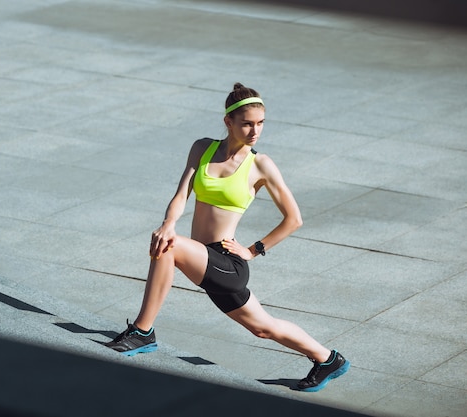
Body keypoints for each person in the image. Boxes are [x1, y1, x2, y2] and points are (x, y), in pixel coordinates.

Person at [105, 83, 349, 392]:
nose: (254, 130)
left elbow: (294, 219)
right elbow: (182, 195)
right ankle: (328, 359)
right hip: (204, 257)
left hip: (226, 262)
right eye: (247, 123)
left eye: (260, 123)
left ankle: (142, 332)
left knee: (170, 246)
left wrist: (253, 250)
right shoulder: (202, 148)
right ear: (228, 122)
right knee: (263, 328)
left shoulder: (260, 165)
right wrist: (169, 222)